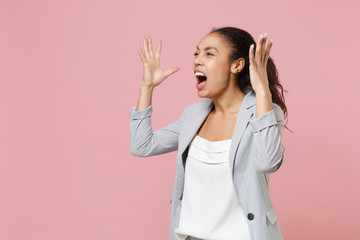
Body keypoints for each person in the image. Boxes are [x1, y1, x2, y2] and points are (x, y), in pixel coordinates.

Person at [130, 26, 289, 240]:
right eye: (196, 53)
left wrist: (262, 92)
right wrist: (146, 86)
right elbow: (142, 146)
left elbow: (267, 163)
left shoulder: (264, 112)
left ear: (237, 65)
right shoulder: (193, 115)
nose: (197, 60)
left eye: (209, 53)